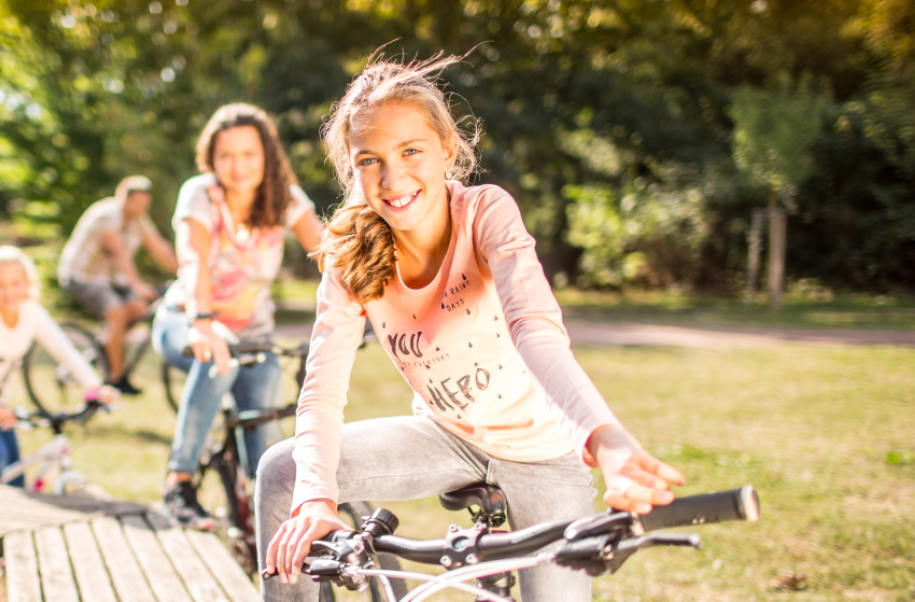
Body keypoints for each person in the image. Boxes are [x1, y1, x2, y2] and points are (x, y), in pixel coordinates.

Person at [258, 55, 687, 601]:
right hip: (446, 436)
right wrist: (316, 498)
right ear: (351, 168)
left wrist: (606, 442)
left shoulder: (485, 212)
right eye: (370, 160)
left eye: (411, 151)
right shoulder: (349, 256)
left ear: (447, 148)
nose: (393, 179)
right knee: (284, 472)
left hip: (542, 451)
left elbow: (535, 330)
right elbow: (321, 388)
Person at [152, 103, 323, 528]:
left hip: (255, 334)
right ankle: (180, 481)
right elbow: (193, 261)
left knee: (264, 437)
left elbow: (329, 256)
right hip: (187, 319)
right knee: (220, 357)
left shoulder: (286, 198)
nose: (238, 166)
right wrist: (204, 322)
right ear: (211, 158)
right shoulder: (200, 194)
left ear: (267, 155)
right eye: (226, 155)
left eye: (249, 154)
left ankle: (262, 519)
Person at [0, 245, 119, 486]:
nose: (8, 292)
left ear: (28, 284)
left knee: (15, 473)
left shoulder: (31, 311)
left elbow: (64, 350)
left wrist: (95, 386)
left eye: (16, 283)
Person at [59, 175, 178, 395]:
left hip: (109, 279)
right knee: (117, 312)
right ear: (125, 198)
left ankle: (107, 345)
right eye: (139, 203)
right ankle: (114, 378)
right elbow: (120, 254)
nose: (143, 208)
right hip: (82, 276)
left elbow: (159, 247)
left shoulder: (139, 219)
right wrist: (138, 285)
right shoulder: (106, 215)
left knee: (139, 308)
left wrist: (185, 272)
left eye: (146, 204)